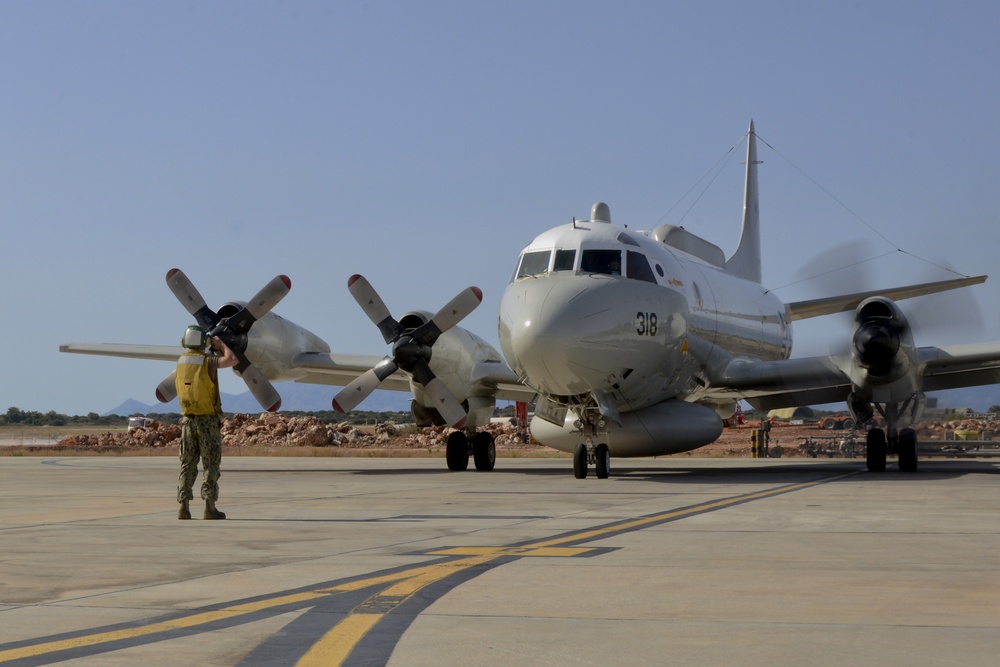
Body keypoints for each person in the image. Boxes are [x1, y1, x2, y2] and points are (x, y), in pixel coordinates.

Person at [175, 325, 237, 520]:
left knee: (187, 463)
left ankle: (183, 508)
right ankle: (209, 507)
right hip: (206, 421)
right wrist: (221, 345)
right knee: (210, 464)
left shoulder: (181, 361)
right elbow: (232, 360)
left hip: (187, 421)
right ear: (205, 342)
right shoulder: (207, 361)